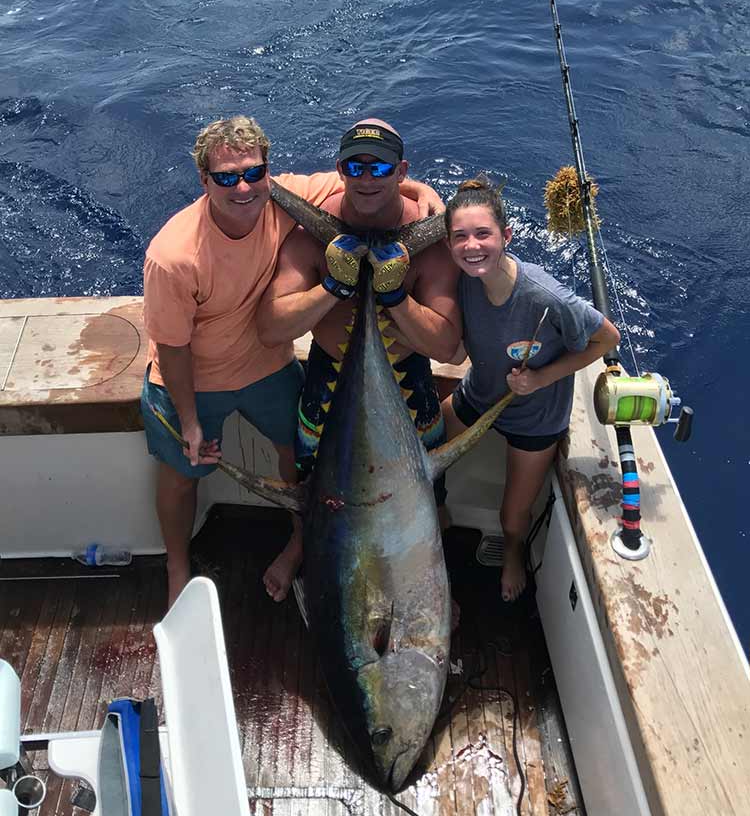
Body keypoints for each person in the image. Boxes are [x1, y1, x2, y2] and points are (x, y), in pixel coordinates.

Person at [141, 115, 443, 608]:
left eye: (253, 173)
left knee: (299, 464)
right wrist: (190, 420)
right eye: (225, 177)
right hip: (197, 378)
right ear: (204, 180)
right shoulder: (173, 255)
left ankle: (301, 541)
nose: (242, 186)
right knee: (181, 474)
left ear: (268, 172)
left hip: (268, 368)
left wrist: (422, 191)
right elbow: (171, 346)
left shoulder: (281, 197)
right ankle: (176, 563)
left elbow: (364, 180)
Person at [257, 118, 462, 598]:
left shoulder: (428, 242)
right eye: (355, 166)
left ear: (401, 170)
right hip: (329, 382)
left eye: (381, 167)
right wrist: (332, 287)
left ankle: (436, 571)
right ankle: (301, 543)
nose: (367, 177)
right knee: (315, 491)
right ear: (340, 169)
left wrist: (395, 298)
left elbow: (447, 346)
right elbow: (271, 328)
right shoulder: (310, 234)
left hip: (408, 383)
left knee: (430, 491)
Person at [441, 176, 620, 602]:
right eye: (460, 237)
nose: (472, 246)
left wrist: (541, 378)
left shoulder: (544, 296)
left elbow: (607, 338)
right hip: (479, 396)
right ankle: (439, 510)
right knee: (422, 450)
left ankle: (514, 555)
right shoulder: (463, 277)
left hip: (535, 419)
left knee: (512, 514)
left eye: (483, 234)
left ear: (507, 236)